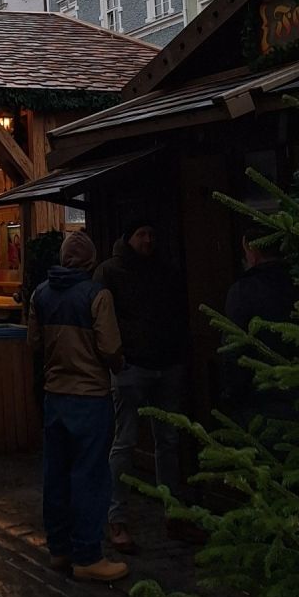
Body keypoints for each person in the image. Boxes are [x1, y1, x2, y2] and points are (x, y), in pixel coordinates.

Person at [29, 230, 128, 583]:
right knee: (89, 474)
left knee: (56, 474)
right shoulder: (97, 295)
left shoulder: (40, 294)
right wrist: (117, 365)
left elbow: (34, 342)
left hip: (55, 394)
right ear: (90, 260)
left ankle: (60, 549)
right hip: (89, 396)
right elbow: (111, 347)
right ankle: (87, 554)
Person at [96, 218, 194, 550]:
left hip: (165, 364)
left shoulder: (165, 271)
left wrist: (177, 353)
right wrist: (116, 357)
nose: (148, 239)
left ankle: (174, 513)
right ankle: (116, 517)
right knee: (124, 442)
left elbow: (177, 313)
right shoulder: (111, 272)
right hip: (132, 366)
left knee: (167, 441)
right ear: (130, 236)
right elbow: (101, 317)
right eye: (142, 233)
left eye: (152, 233)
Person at [223, 231, 298, 421]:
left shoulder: (244, 291)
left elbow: (235, 349)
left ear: (250, 249)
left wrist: (232, 395)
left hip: (260, 400)